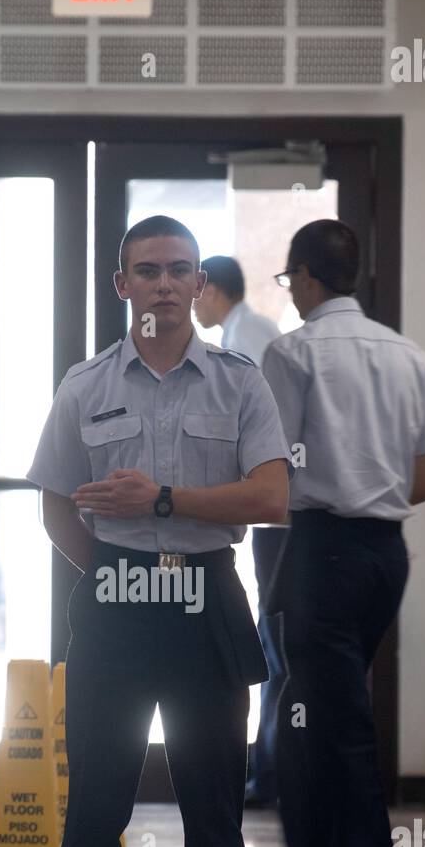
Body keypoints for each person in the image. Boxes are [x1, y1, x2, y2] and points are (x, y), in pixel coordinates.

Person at [24, 215, 291, 847]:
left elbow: (270, 498)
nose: (167, 284)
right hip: (113, 606)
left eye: (182, 270)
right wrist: (111, 564)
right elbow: (57, 503)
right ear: (122, 286)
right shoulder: (84, 386)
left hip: (204, 603)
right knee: (93, 818)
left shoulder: (240, 383)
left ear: (200, 287)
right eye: (149, 270)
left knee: (214, 816)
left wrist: (164, 503)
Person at [261, 219, 425, 847]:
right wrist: (371, 481)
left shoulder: (294, 353)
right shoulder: (408, 354)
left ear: (306, 277)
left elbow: (273, 473)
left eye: (288, 280)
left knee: (337, 739)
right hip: (382, 557)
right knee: (305, 733)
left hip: (319, 557)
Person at [194, 255, 286, 807]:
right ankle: (269, 771)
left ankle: (270, 774)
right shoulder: (246, 331)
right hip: (268, 508)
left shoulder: (247, 340)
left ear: (212, 291)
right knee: (272, 640)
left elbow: (246, 427)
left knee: (272, 642)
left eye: (196, 290)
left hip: (274, 507)